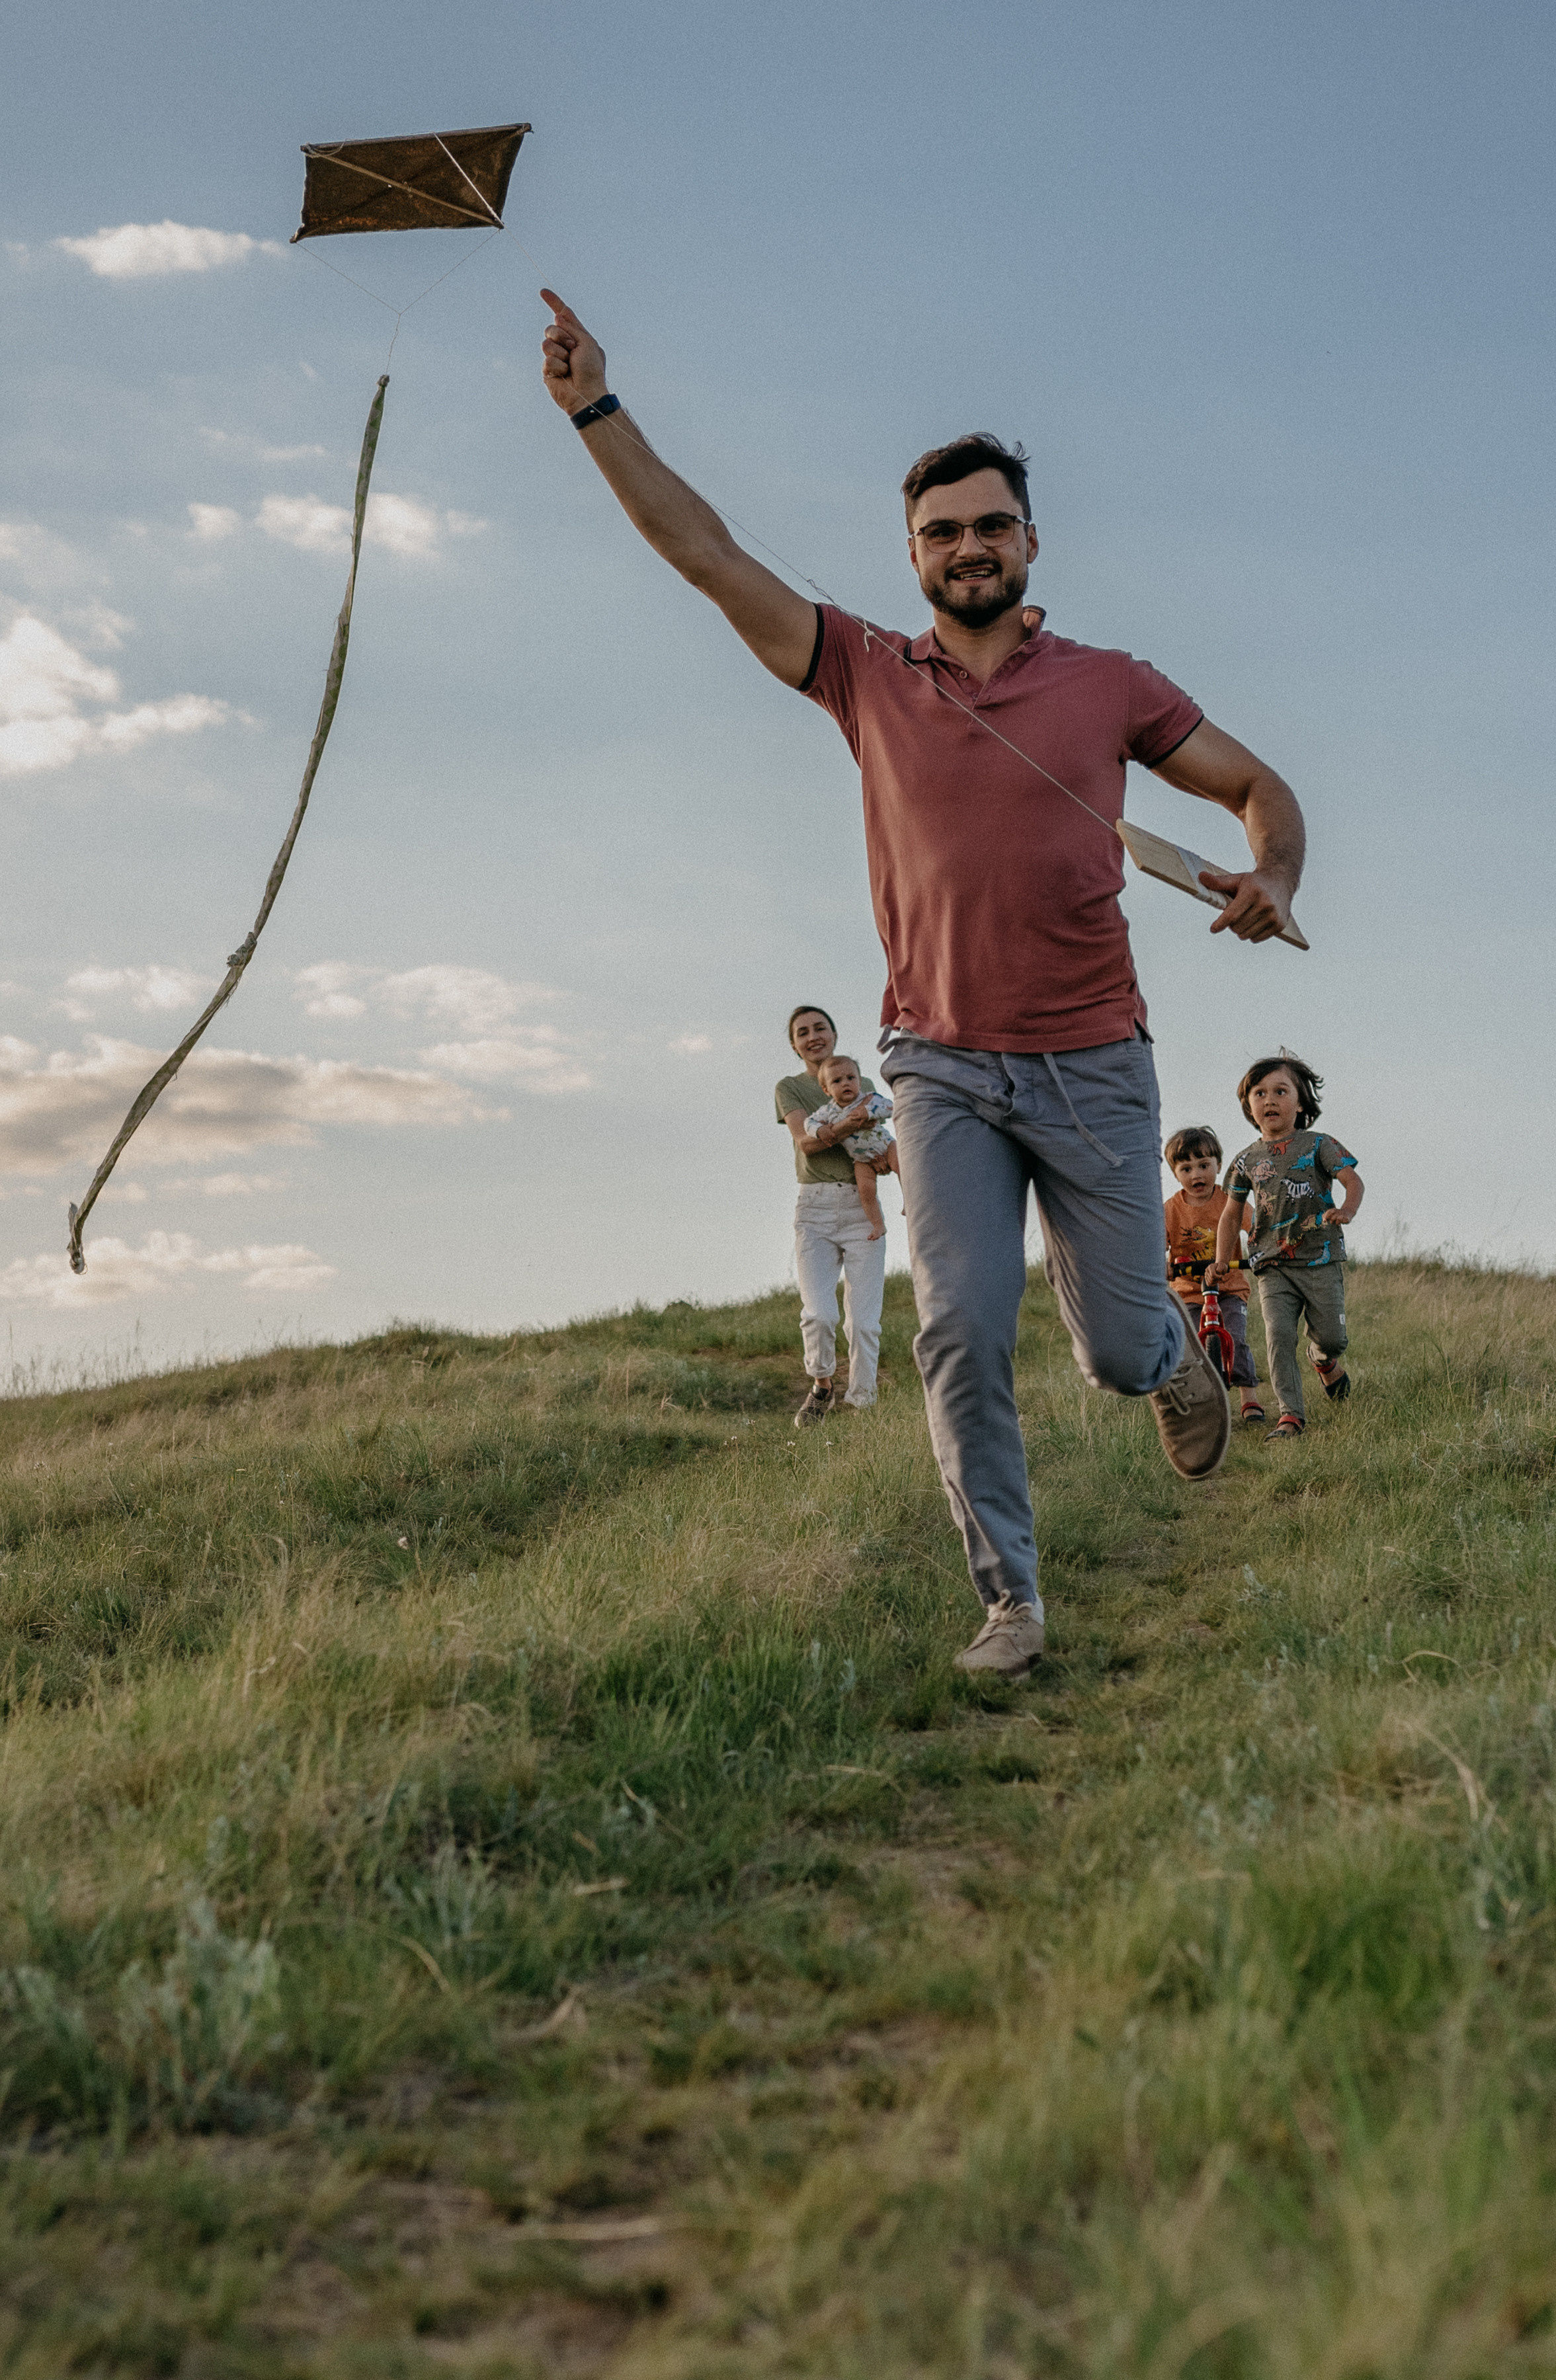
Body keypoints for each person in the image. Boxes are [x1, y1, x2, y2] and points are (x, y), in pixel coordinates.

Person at [541, 294, 1307, 1677]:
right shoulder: (861, 673)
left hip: (1091, 1063)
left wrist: (1275, 878)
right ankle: (1009, 1598)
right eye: (941, 532)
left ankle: (1169, 1365)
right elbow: (702, 553)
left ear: (1029, 540)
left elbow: (1256, 789)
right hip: (938, 1063)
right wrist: (599, 411)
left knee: (1117, 1346)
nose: (968, 547)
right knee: (957, 1325)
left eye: (990, 525)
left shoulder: (1112, 684)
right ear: (912, 555)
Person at [1215, 1054, 1363, 1439]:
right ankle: (1290, 1417)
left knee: (1332, 1337)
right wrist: (1221, 1260)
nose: (1270, 1100)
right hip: (1271, 1265)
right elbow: (1231, 1215)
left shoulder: (1319, 1145)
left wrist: (1346, 1210)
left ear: (1300, 1103)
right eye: (1259, 1093)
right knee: (1278, 1337)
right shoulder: (1245, 1160)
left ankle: (1323, 1358)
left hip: (1320, 1259)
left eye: (1281, 1091)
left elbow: (1352, 1181)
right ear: (1249, 1106)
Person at [774, 1006, 888, 1425]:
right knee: (819, 1313)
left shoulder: (865, 1082)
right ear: (795, 1045)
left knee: (864, 1321)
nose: (813, 1036)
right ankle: (822, 1384)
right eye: (803, 1032)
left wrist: (879, 1155)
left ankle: (862, 1404)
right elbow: (806, 1142)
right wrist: (848, 1127)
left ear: (835, 1034)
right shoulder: (790, 1087)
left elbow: (879, 1141)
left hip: (862, 1206)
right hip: (816, 1208)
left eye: (820, 1028)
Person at [1163, 1125, 1264, 1424]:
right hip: (1189, 1291)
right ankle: (1201, 1405)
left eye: (1204, 1165)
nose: (1197, 1175)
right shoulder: (1171, 1209)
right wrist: (1162, 1265)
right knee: (1191, 1348)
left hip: (1230, 1286)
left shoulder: (1229, 1201)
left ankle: (1250, 1397)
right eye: (1187, 1168)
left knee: (1235, 1337)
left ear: (1218, 1166)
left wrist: (1261, 1251)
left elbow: (1256, 1227)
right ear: (1176, 1173)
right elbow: (1156, 1241)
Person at [805, 1052, 897, 1242]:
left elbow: (891, 1108)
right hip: (861, 1159)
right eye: (837, 1081)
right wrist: (820, 1131)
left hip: (887, 1147)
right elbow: (809, 1123)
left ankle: (910, 1201)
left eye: (851, 1078)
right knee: (866, 1191)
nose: (845, 1083)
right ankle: (879, 1225)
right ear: (826, 1090)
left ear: (859, 1081)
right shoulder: (829, 1111)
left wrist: (869, 1112)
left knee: (904, 1168)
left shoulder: (870, 1099)